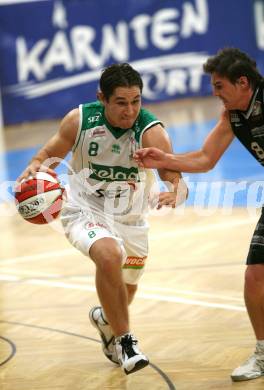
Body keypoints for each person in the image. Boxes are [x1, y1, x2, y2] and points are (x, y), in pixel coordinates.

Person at [17, 63, 187, 375]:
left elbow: (171, 174)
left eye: (136, 101)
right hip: (85, 209)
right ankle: (126, 341)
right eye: (121, 102)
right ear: (103, 98)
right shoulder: (79, 120)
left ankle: (106, 320)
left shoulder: (151, 131)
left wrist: (177, 190)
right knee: (109, 255)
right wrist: (35, 166)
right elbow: (46, 153)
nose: (130, 110)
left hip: (132, 219)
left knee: (126, 290)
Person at [134, 47, 264, 382]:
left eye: (220, 86)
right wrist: (161, 159)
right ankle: (263, 353)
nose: (214, 92)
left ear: (242, 82)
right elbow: (205, 158)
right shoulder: (232, 115)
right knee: (255, 276)